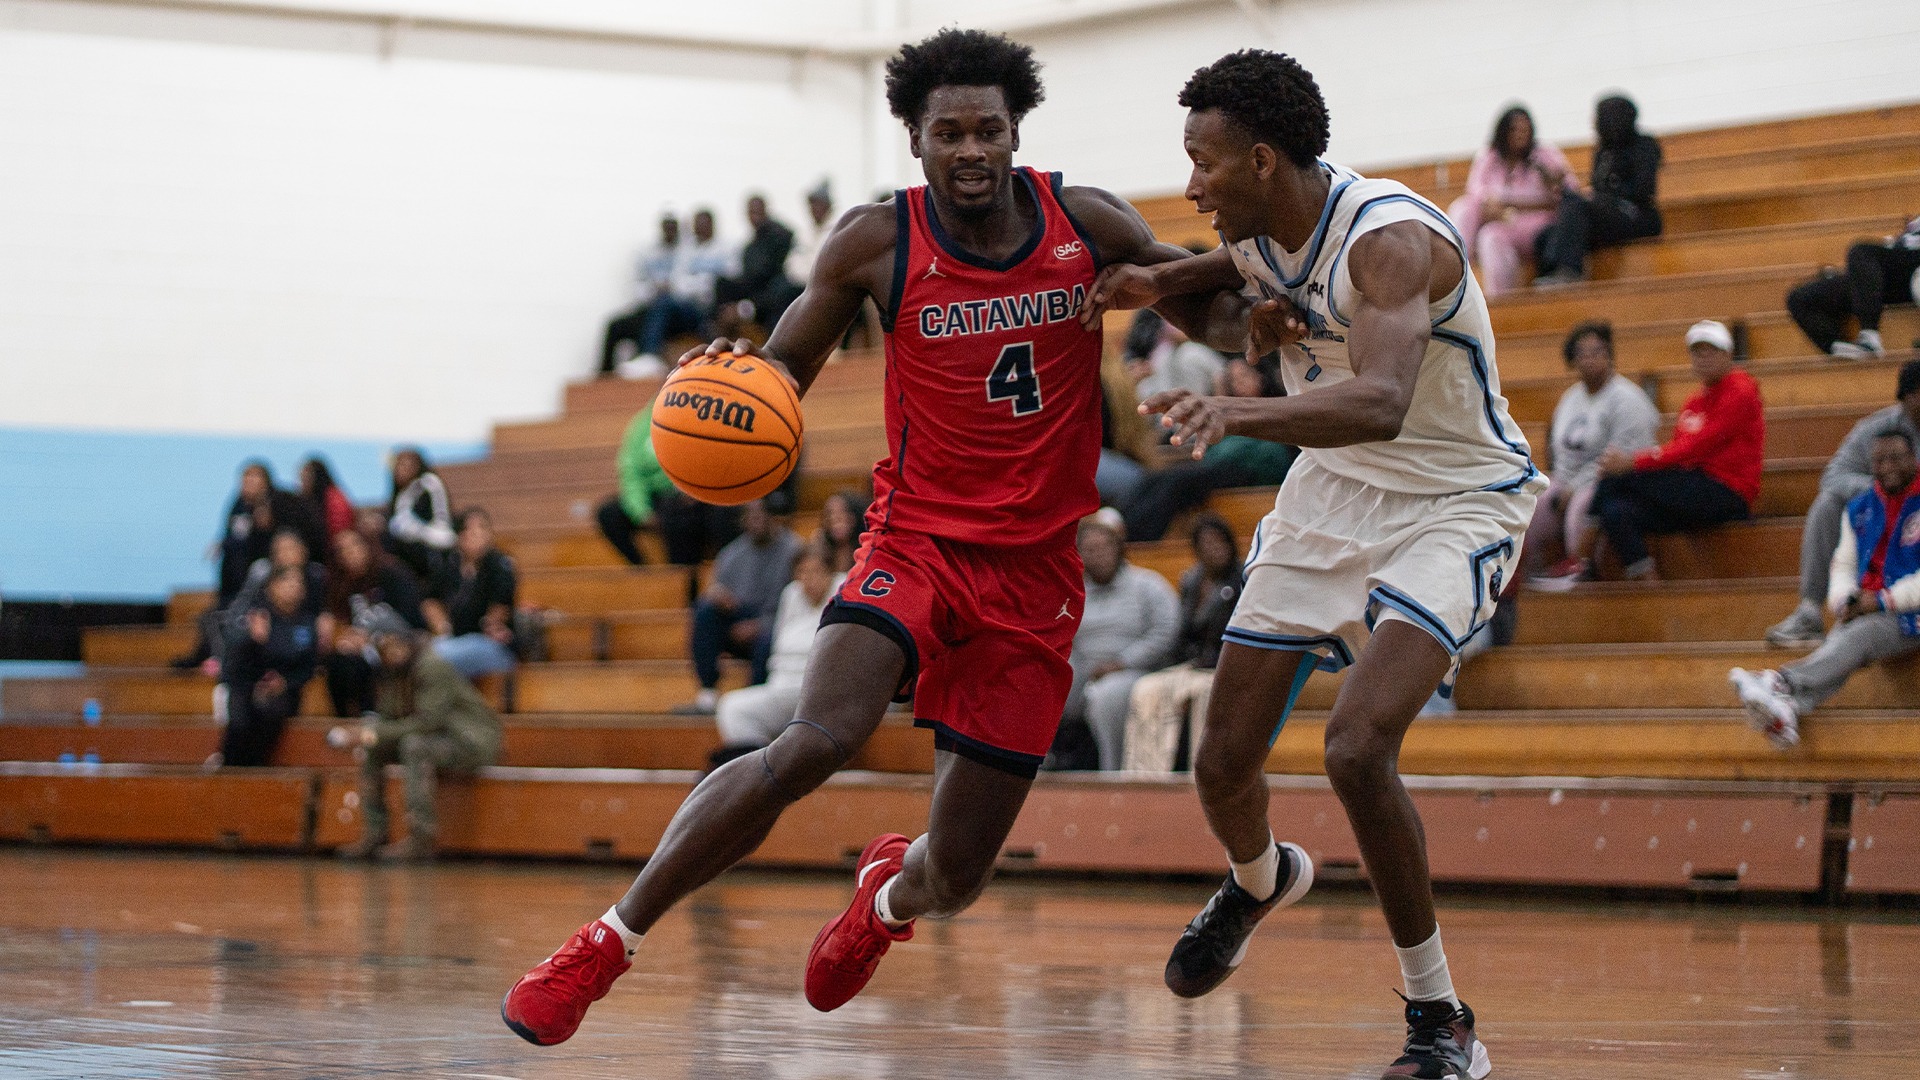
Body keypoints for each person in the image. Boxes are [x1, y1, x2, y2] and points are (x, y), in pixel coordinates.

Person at [502, 27, 1197, 1047]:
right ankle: (606, 942)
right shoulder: (875, 242)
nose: (971, 151)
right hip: (913, 541)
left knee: (954, 876)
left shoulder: (1084, 220)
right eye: (947, 132)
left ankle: (884, 901)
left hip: (1037, 575)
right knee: (812, 741)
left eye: (989, 131)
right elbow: (780, 375)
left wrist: (1255, 310)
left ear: (1017, 134)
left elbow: (1210, 309)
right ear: (912, 139)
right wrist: (721, 383)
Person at [1079, 48, 1541, 1077]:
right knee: (1221, 758)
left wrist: (1232, 407)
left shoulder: (1392, 243)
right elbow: (1222, 277)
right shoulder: (1258, 231)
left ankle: (1441, 1022)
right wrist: (1152, 281)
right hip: (1331, 497)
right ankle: (1257, 880)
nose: (1190, 184)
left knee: (1355, 748)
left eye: (1201, 163)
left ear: (1259, 157)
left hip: (1453, 502)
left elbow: (1378, 403)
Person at [1732, 431, 1920, 748]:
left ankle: (1781, 682)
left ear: (1914, 459)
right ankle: (1787, 711)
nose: (1887, 466)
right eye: (1879, 460)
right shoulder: (1860, 507)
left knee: (1860, 634)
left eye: (1896, 458)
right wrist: (1843, 599)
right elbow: (1843, 563)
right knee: (1849, 633)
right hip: (1876, 609)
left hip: (1907, 611)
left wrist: (1884, 600)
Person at [1548, 320, 1762, 584]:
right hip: (1695, 488)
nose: (1703, 358)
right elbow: (1682, 450)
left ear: (1728, 355)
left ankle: (1580, 559)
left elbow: (1692, 448)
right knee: (1616, 511)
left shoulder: (1740, 390)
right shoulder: (1696, 400)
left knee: (1614, 480)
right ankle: (1650, 586)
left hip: (1727, 490)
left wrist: (1633, 462)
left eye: (1712, 350)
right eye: (1697, 352)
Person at [1766, 361, 1920, 645]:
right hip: (1889, 519)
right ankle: (1810, 611)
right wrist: (1883, 489)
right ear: (1908, 397)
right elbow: (1833, 477)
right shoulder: (1875, 430)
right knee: (1827, 504)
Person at [332, 627, 503, 861]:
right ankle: (375, 832)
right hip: (437, 739)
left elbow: (428, 723)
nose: (392, 653)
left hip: (470, 741)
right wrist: (368, 733)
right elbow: (388, 715)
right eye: (385, 648)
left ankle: (421, 837)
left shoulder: (432, 666)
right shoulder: (393, 672)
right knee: (375, 748)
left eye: (396, 645)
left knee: (414, 746)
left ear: (408, 643)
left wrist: (373, 733)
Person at [1527, 321, 1661, 582]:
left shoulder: (1629, 399)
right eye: (1582, 354)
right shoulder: (1569, 398)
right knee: (1532, 505)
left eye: (1597, 352)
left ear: (1610, 355)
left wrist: (1575, 487)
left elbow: (1622, 459)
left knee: (1581, 510)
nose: (1589, 360)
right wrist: (1558, 484)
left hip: (1610, 482)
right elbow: (1559, 452)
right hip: (1566, 478)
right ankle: (1530, 581)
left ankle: (1583, 577)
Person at [1117, 356, 1299, 542]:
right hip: (1224, 463)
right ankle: (1117, 523)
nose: (1238, 383)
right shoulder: (1226, 411)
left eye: (1244, 375)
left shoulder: (1275, 405)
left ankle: (1134, 538)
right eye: (1232, 379)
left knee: (1178, 481)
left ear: (1261, 377)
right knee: (1154, 477)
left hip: (1256, 467)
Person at [1059, 510, 1180, 771]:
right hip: (1085, 668)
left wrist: (1122, 662)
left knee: (1105, 696)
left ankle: (1112, 771)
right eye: (1089, 549)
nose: (1097, 555)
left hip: (1135, 671)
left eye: (1103, 547)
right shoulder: (1074, 595)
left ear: (1119, 549)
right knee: (1044, 685)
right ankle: (1046, 763)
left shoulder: (1148, 585)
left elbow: (1165, 632)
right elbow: (1065, 636)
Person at [1122, 514, 1242, 771]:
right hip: (1192, 664)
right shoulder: (1191, 581)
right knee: (1146, 689)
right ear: (1196, 549)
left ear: (1230, 543)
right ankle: (1148, 772)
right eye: (1205, 543)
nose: (1213, 548)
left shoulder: (1243, 580)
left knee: (1204, 695)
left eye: (1218, 541)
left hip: (1226, 666)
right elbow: (1182, 634)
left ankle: (1204, 772)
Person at [711, 543, 843, 760]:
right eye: (802, 572)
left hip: (824, 693)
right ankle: (765, 767)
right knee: (732, 708)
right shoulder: (791, 594)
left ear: (830, 572)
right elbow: (778, 647)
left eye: (816, 571)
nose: (809, 579)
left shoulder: (845, 590)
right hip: (783, 686)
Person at [674, 499, 801, 715]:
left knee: (769, 637)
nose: (755, 521)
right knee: (704, 611)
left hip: (777, 624)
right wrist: (717, 596)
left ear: (773, 517)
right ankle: (708, 694)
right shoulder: (731, 554)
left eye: (760, 515)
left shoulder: (793, 550)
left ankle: (754, 700)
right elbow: (716, 590)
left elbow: (799, 604)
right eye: (749, 517)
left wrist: (761, 625)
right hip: (737, 618)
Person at [1533, 94, 1662, 285]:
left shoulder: (1643, 146)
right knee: (1545, 234)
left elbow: (1644, 190)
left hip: (1637, 215)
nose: (1593, 123)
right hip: (1608, 213)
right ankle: (1551, 275)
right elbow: (1598, 187)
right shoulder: (1603, 150)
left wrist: (1605, 196)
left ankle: (1569, 272)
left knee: (1577, 206)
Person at [1445, 105, 1573, 297]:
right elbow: (1476, 190)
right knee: (1466, 212)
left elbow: (1569, 190)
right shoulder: (1490, 156)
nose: (1520, 135)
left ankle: (1503, 301)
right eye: (1514, 130)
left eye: (1525, 130)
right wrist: (1492, 205)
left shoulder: (1544, 155)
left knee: (1491, 234)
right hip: (1499, 217)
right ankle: (1457, 267)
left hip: (1536, 221)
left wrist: (1551, 182)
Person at [594, 404, 741, 570]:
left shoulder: (703, 412)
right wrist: (642, 512)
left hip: (695, 492)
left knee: (685, 514)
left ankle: (711, 575)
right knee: (608, 513)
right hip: (659, 497)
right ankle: (647, 574)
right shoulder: (643, 423)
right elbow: (631, 472)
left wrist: (693, 488)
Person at [215, 566, 319, 768]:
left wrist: (286, 682)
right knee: (240, 718)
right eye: (287, 582)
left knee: (270, 711)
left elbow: (308, 666)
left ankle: (257, 768)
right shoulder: (254, 615)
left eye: (298, 583)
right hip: (246, 684)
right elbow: (232, 660)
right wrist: (252, 639)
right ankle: (229, 767)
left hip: (285, 689)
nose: (293, 587)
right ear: (272, 587)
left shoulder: (307, 623)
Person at [320, 528, 428, 718]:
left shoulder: (393, 573)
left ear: (367, 546)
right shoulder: (341, 586)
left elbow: (410, 620)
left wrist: (369, 638)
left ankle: (374, 714)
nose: (350, 553)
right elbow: (341, 624)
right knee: (339, 662)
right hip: (361, 648)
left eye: (354, 545)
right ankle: (347, 718)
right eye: (342, 551)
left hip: (401, 640)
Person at [1785, 215, 1920, 359]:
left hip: (1911, 272)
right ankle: (1842, 349)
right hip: (1888, 274)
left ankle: (1869, 338)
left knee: (1860, 251)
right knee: (1799, 298)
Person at [600, 213, 712, 379]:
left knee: (664, 303)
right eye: (666, 226)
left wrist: (673, 286)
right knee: (616, 325)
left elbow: (699, 286)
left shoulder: (690, 250)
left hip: (688, 313)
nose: (670, 230)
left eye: (673, 226)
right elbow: (639, 291)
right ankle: (603, 377)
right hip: (656, 310)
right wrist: (655, 288)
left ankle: (650, 355)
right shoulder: (648, 253)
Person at [425, 508, 519, 679]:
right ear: (459, 536)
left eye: (482, 528)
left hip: (489, 643)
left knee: (434, 661)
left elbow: (497, 614)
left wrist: (490, 625)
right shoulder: (449, 566)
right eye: (470, 529)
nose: (476, 534)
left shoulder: (500, 566)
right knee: (426, 656)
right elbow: (430, 600)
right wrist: (442, 627)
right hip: (453, 641)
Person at [714, 194, 800, 335]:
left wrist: (744, 307)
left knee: (781, 289)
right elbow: (748, 276)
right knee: (721, 283)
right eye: (751, 212)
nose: (754, 216)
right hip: (755, 290)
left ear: (766, 210)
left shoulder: (781, 235)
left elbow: (769, 271)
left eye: (757, 211)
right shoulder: (749, 246)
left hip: (774, 290)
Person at [386, 447, 455, 580]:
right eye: (398, 466)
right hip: (406, 552)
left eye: (407, 466)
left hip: (431, 550)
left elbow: (443, 525)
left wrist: (417, 531)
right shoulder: (399, 495)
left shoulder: (429, 485)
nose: (401, 470)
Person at [299, 456, 354, 551]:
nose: (301, 484)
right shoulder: (307, 500)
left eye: (305, 479)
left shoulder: (334, 498)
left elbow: (339, 530)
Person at [812, 489, 868, 574]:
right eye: (830, 513)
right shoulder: (819, 549)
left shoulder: (869, 549)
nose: (835, 518)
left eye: (843, 512)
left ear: (856, 515)